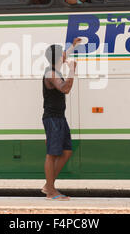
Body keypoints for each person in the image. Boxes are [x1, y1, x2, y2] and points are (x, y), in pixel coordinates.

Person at [41, 37, 81, 200]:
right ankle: (51, 191)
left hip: (59, 117)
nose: (65, 57)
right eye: (63, 55)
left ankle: (48, 185)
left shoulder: (55, 67)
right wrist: (72, 71)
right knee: (52, 154)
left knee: (66, 151)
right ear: (58, 58)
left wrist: (73, 45)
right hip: (52, 119)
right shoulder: (50, 73)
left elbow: (63, 55)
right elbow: (65, 89)